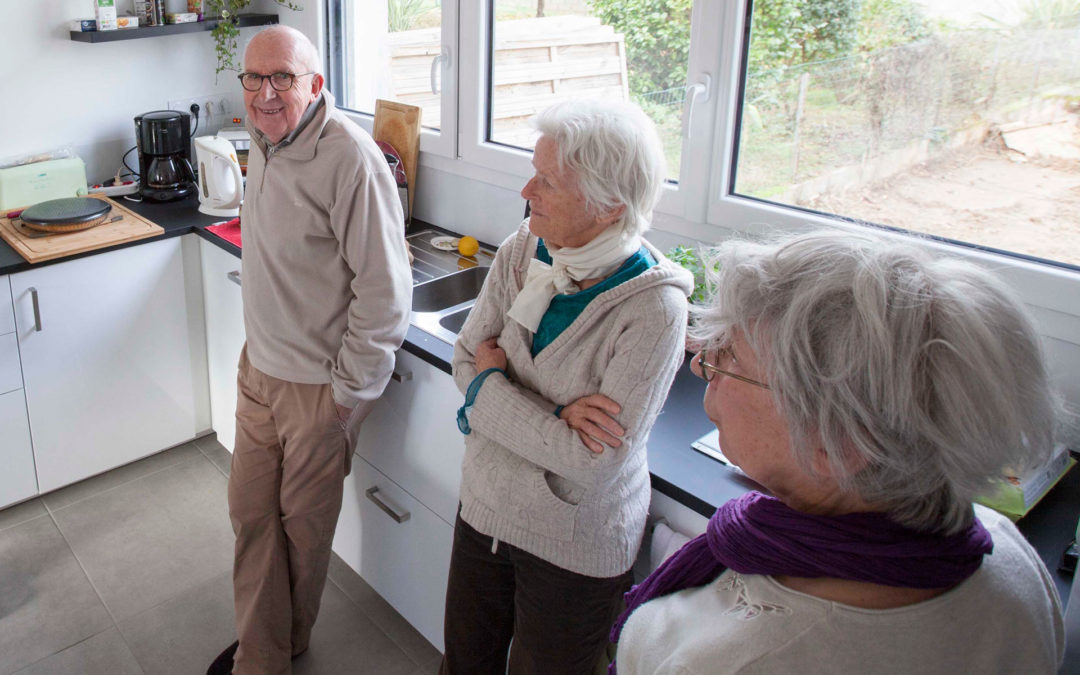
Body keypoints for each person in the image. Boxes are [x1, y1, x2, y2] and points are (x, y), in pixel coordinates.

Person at [611, 230, 1066, 674]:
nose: (701, 364)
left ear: (836, 444)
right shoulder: (1005, 549)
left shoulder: (730, 658)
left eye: (731, 356)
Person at [440, 99, 694, 674]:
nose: (527, 189)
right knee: (464, 665)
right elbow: (463, 359)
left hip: (575, 540)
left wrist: (491, 387)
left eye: (548, 181)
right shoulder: (521, 250)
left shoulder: (655, 308)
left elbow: (591, 463)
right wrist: (552, 412)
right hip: (484, 506)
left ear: (608, 207)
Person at [207, 25, 412, 675]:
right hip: (258, 368)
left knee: (300, 533)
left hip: (314, 388)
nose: (265, 93)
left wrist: (343, 399)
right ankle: (266, 646)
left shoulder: (348, 156)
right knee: (250, 514)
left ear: (315, 84)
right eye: (253, 78)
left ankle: (268, 656)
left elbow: (386, 296)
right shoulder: (267, 138)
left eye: (283, 79)